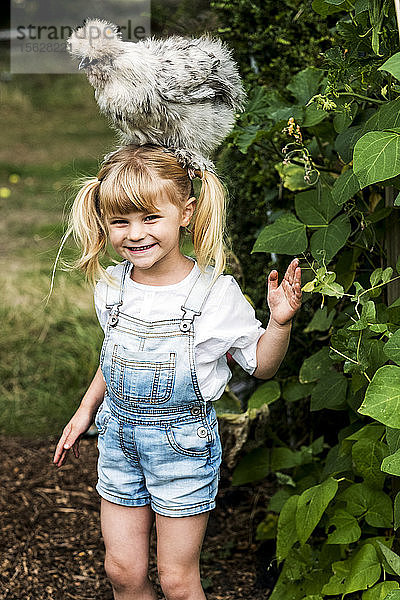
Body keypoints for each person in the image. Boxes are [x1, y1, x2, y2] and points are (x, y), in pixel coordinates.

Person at [53, 143, 302, 600]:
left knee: (178, 580)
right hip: (118, 441)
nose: (135, 234)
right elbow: (116, 354)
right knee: (123, 572)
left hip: (181, 447)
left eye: (150, 218)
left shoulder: (213, 295)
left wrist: (279, 322)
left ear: (185, 213)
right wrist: (86, 409)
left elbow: (262, 366)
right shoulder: (113, 286)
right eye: (120, 221)